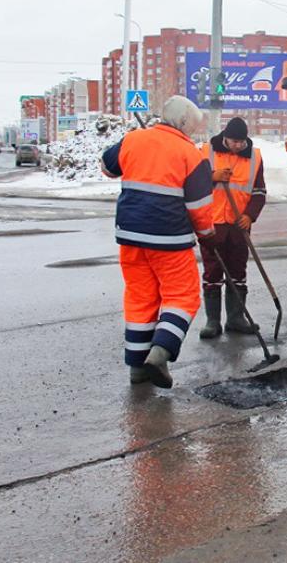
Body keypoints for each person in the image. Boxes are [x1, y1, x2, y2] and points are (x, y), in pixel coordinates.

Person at [100, 96, 216, 387]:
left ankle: (137, 369)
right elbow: (200, 207)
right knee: (182, 296)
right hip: (169, 238)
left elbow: (107, 166)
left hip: (130, 235)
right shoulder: (191, 154)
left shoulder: (134, 139)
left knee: (140, 298)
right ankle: (160, 355)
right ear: (185, 122)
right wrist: (206, 235)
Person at [198, 117, 267, 339]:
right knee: (213, 272)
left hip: (239, 224)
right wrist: (211, 177)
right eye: (234, 141)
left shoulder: (255, 157)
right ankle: (212, 321)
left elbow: (259, 192)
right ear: (225, 137)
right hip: (213, 224)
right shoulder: (206, 151)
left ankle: (236, 318)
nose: (238, 145)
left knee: (238, 271)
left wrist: (250, 216)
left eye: (241, 141)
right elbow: (190, 183)